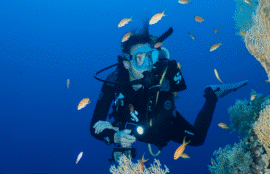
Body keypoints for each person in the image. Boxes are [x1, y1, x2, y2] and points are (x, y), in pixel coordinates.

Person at [91, 23, 246, 163]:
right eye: (139, 59)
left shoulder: (161, 79)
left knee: (198, 139)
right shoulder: (114, 81)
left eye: (150, 57)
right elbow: (94, 125)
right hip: (134, 125)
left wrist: (121, 131)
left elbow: (159, 131)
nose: (147, 65)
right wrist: (114, 136)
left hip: (162, 122)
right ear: (127, 64)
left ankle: (212, 94)